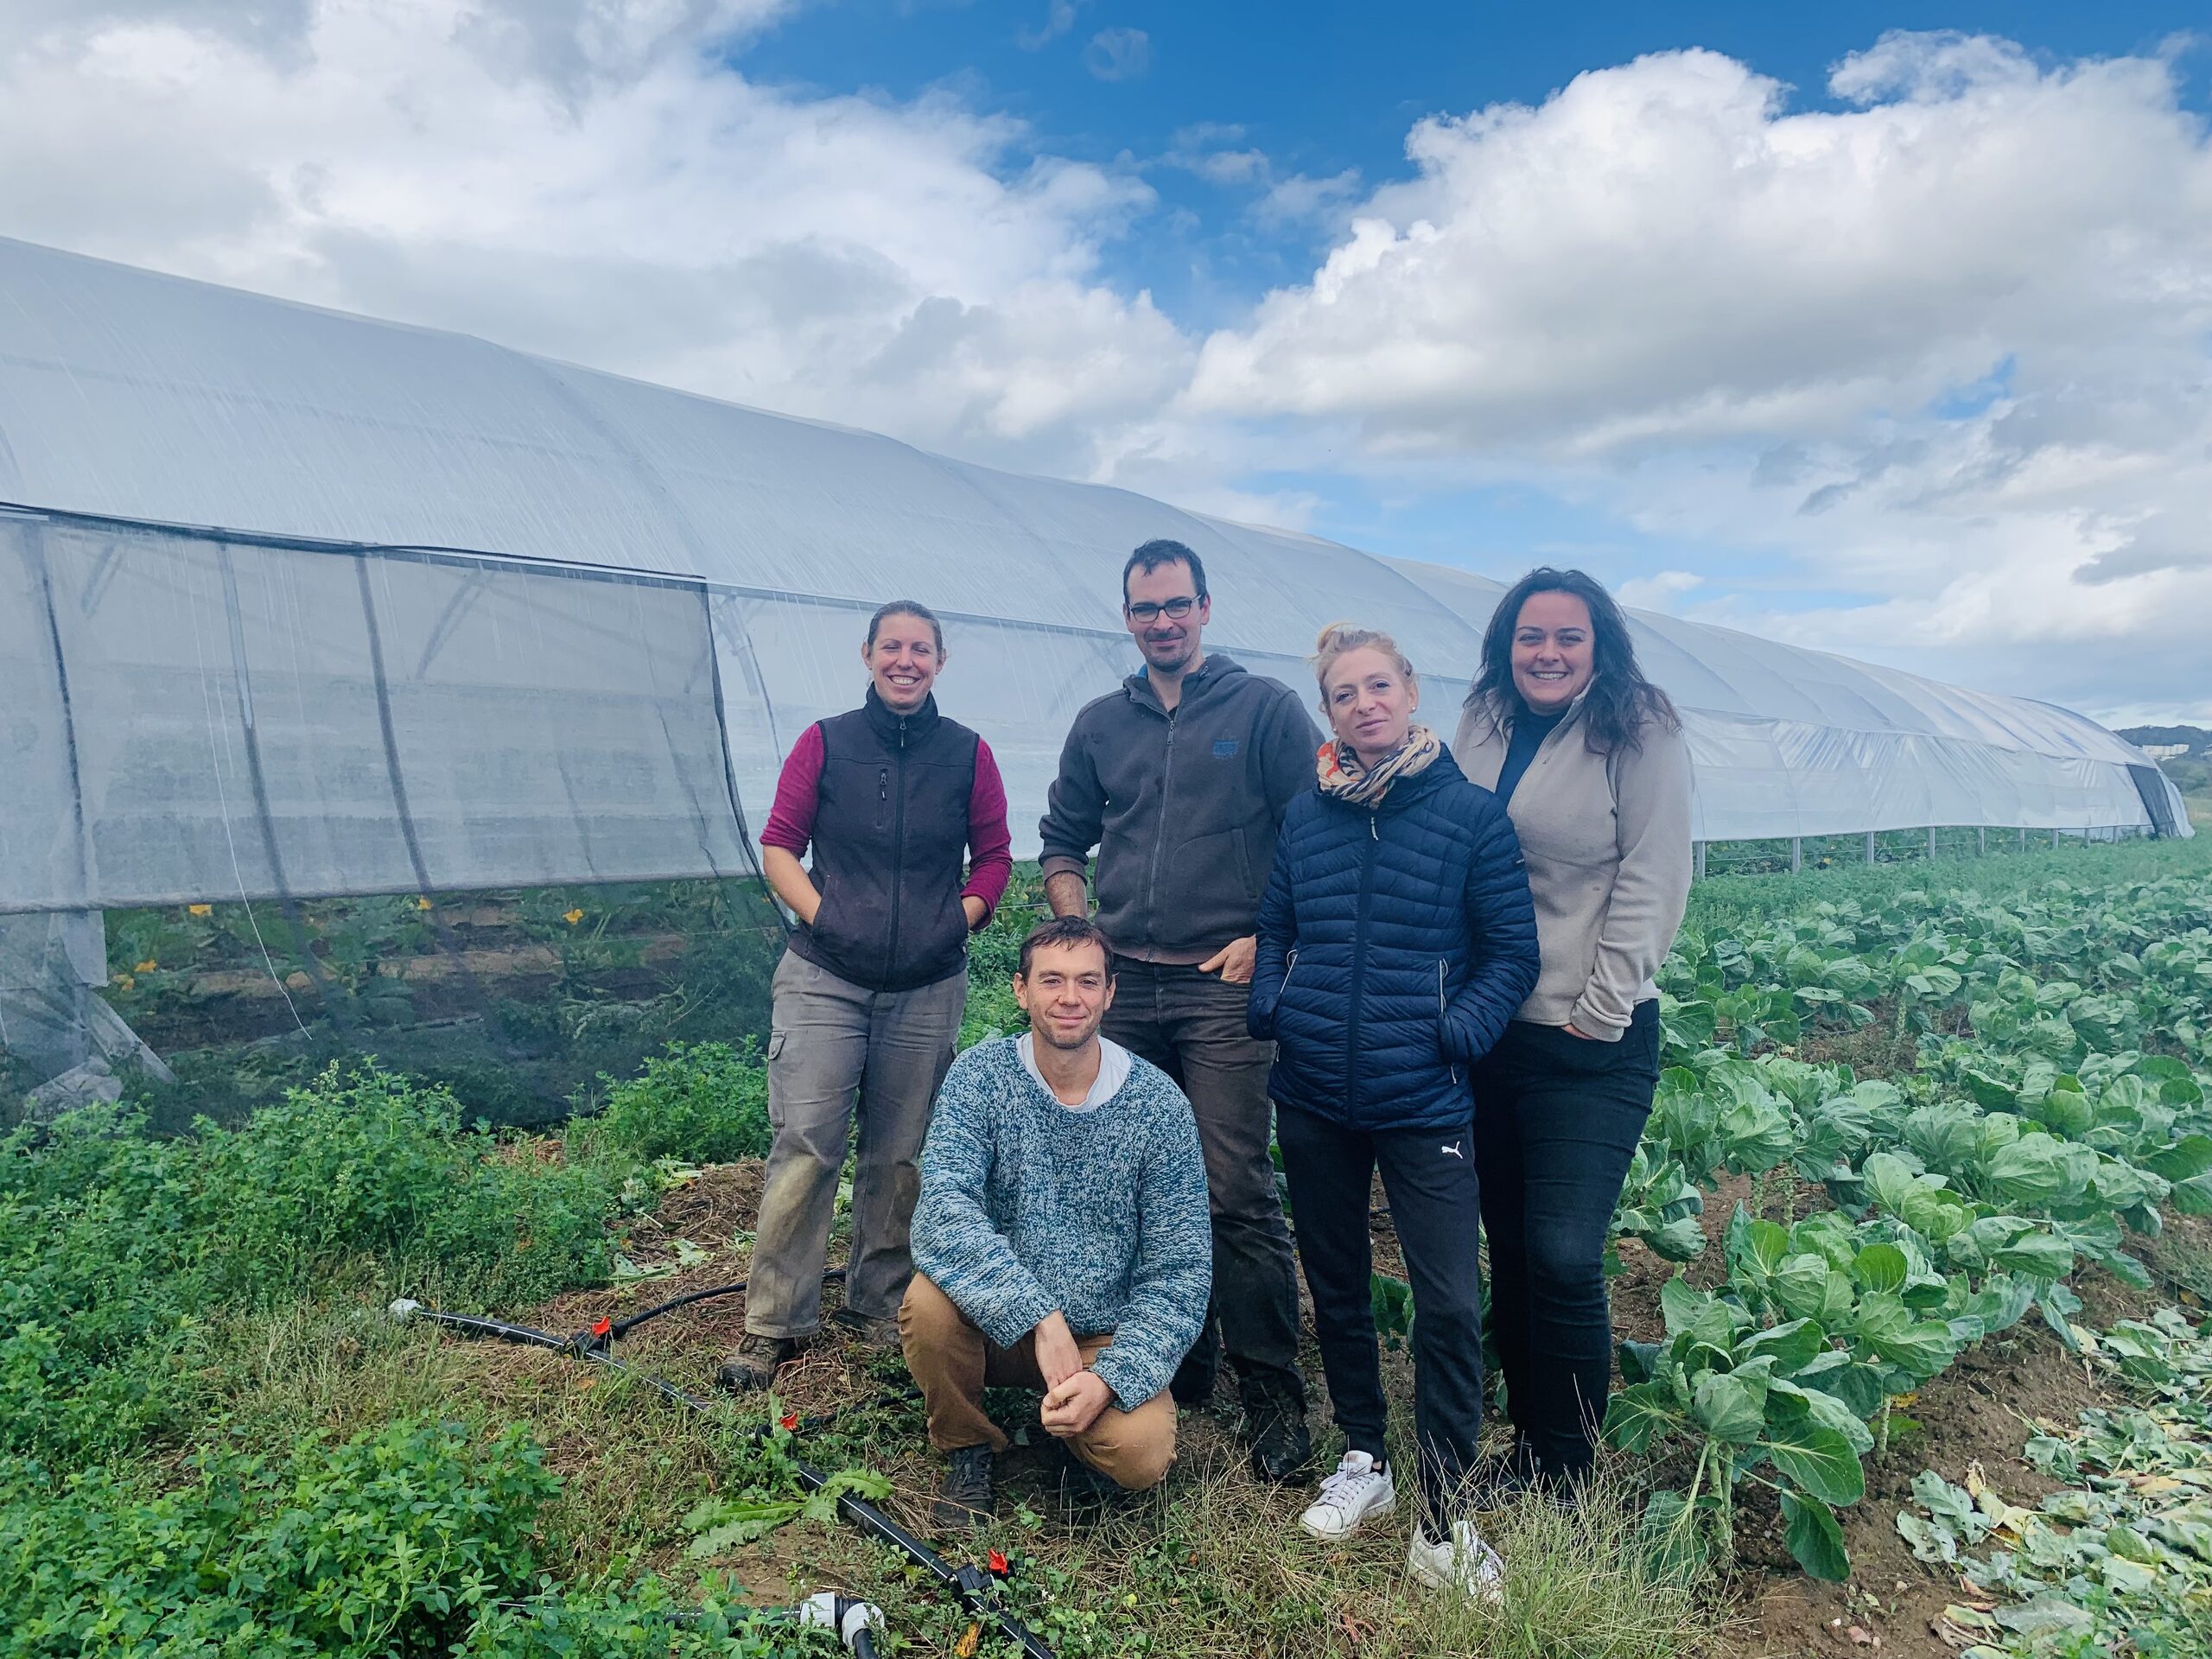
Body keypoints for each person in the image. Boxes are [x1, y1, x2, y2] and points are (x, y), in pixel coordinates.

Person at [1249, 623, 1540, 1598]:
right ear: (1327, 711)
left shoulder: (1470, 818)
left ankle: (1444, 1518)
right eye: (1344, 694)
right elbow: (1280, 918)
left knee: (1449, 1303)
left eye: (1379, 687)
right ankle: (1365, 1461)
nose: (1364, 705)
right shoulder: (1308, 815)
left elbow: (1511, 956)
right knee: (1335, 1285)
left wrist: (1455, 1033)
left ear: (1411, 694)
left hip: (1422, 1096)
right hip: (1316, 1095)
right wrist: (1270, 1006)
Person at [1036, 537, 1323, 1481]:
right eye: (1144, 608)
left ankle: (1271, 1387)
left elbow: (1310, 836)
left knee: (1233, 1184)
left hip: (1221, 983)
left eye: (1176, 605)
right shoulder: (1098, 724)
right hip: (1129, 987)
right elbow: (1062, 842)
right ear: (1126, 618)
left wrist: (1266, 937)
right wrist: (1080, 935)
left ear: (1204, 607)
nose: (1161, 621)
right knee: (1139, 1181)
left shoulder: (1263, 709)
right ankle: (1178, 1357)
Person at [719, 600, 1014, 1393]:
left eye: (921, 649)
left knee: (902, 1151)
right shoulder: (827, 743)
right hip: (825, 978)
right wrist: (826, 915)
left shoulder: (968, 755)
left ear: (940, 661)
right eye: (893, 647)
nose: (906, 660)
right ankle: (774, 1320)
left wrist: (957, 919)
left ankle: (879, 1299)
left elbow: (993, 856)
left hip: (925, 984)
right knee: (808, 1145)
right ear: (868, 655)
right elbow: (780, 842)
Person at [1450, 568, 1693, 1498]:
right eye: (1529, 637)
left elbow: (1653, 870)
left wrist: (1601, 1004)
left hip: (1589, 1038)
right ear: (1505, 647)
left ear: (1598, 648)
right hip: (1488, 1029)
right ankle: (1531, 1445)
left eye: (1566, 637)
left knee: (1560, 1250)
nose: (1545, 653)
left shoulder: (1639, 728)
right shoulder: (1483, 718)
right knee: (1507, 1245)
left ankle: (1568, 1467)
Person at [900, 916, 1212, 1527]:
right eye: (1052, 981)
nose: (1070, 999)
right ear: (1021, 990)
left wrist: (1113, 1378)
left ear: (1109, 994)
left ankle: (1079, 1436)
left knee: (1141, 1454)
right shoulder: (980, 1079)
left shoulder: (1159, 1106)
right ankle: (967, 1447)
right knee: (926, 1306)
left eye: (1087, 982)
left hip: (1102, 1337)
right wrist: (1038, 1315)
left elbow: (1180, 1273)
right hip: (1000, 1323)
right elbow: (943, 1207)